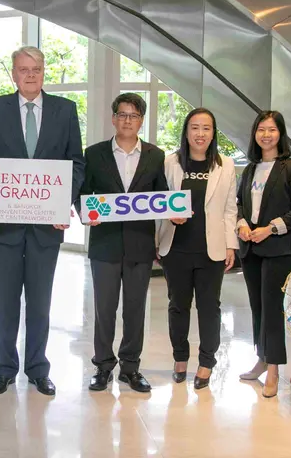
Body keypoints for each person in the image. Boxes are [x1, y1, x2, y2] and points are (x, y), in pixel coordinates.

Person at [0, 46, 85, 396]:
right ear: (13, 74)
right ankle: (4, 368)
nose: (30, 75)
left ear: (44, 71)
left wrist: (60, 202)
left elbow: (76, 163)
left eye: (36, 68)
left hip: (45, 230)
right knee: (3, 303)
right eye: (23, 69)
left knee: (40, 303)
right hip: (4, 230)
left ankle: (38, 368)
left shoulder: (65, 111)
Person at [80, 93, 167, 393]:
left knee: (134, 309)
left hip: (140, 246)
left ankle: (130, 368)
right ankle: (103, 366)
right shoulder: (93, 154)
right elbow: (83, 195)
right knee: (104, 309)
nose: (128, 120)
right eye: (123, 114)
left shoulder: (156, 156)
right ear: (113, 118)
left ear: (141, 121)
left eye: (134, 115)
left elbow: (162, 198)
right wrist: (86, 213)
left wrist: (175, 213)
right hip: (104, 244)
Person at [157, 108, 238, 390]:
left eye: (206, 128)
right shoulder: (171, 162)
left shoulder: (225, 165)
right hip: (176, 247)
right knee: (178, 306)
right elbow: (159, 202)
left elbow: (230, 209)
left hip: (210, 251)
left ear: (213, 132)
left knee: (209, 308)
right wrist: (166, 218)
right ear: (186, 131)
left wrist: (231, 244)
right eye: (194, 127)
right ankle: (180, 359)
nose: (200, 134)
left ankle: (206, 363)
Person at [236, 110, 291, 398]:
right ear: (255, 134)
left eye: (272, 129)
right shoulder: (249, 169)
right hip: (250, 247)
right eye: (261, 129)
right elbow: (240, 203)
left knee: (272, 308)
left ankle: (276, 368)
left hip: (277, 248)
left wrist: (270, 229)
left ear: (280, 133)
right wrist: (242, 225)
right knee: (257, 306)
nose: (266, 134)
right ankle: (262, 358)